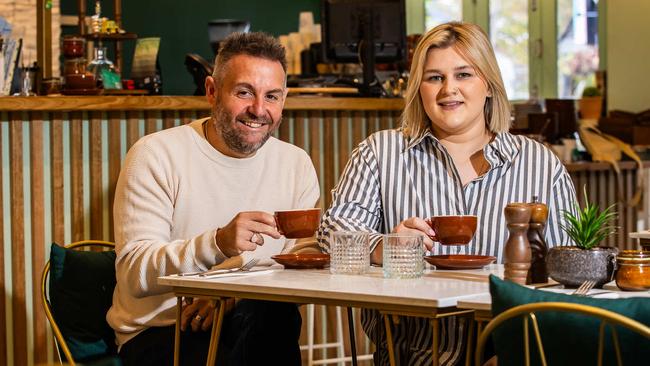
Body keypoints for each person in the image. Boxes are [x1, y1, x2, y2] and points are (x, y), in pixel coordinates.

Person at [318, 22, 577, 365]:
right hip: (411, 354)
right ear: (418, 88)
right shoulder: (381, 153)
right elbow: (331, 231)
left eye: (464, 75)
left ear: (488, 85)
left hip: (511, 351)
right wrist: (384, 246)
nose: (448, 90)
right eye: (435, 78)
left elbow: (570, 267)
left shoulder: (538, 163)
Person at [108, 32, 320, 366]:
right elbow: (134, 275)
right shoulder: (155, 154)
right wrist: (217, 243)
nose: (259, 110)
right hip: (162, 331)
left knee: (273, 312)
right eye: (244, 92)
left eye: (273, 96)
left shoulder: (296, 164)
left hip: (250, 319)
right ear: (211, 91)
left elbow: (304, 259)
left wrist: (231, 294)